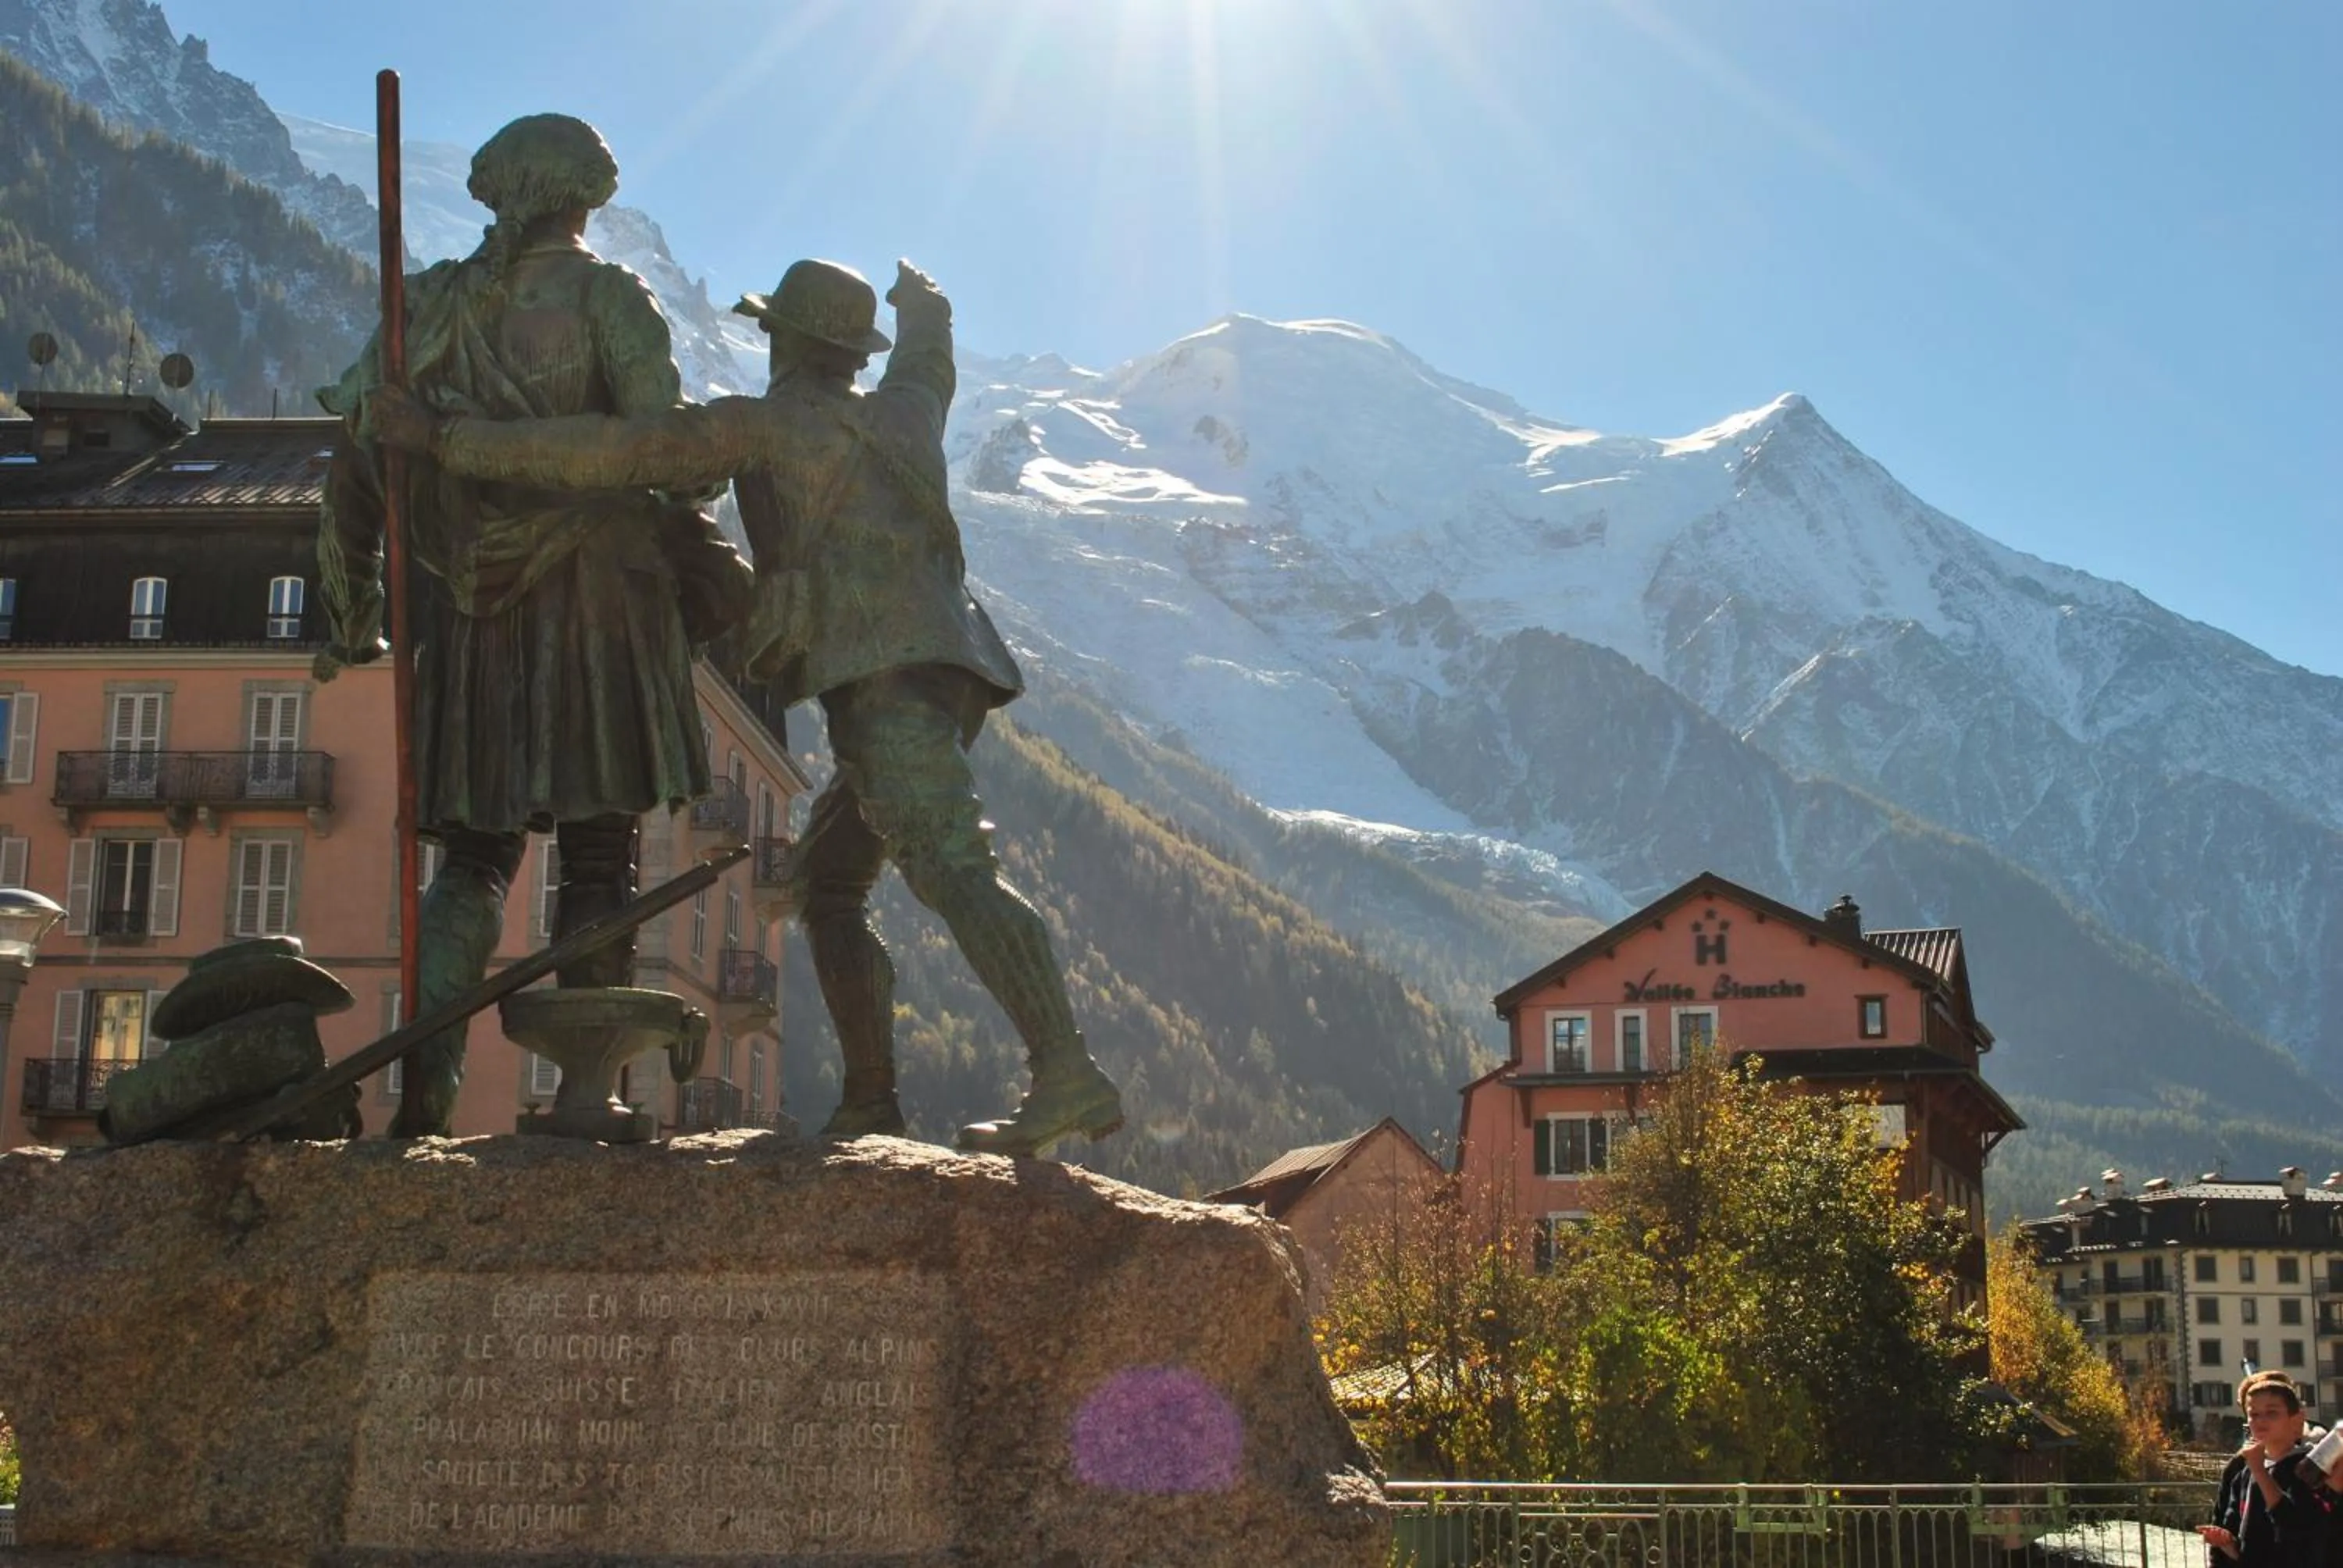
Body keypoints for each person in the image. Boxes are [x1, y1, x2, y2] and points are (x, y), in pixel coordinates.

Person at [369, 257, 1124, 1160]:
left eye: (773, 333)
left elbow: (609, 453)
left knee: (953, 866)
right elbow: (932, 355)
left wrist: (446, 438)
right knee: (829, 884)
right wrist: (924, 300)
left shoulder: (765, 429)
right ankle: (872, 1098)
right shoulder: (908, 409)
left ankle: (1065, 1068)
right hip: (948, 668)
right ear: (852, 349)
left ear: (792, 342)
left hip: (885, 680)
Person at [316, 113, 748, 1136]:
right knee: (601, 853)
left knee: (472, 862)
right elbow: (660, 453)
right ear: (578, 200)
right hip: (603, 600)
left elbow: (355, 464)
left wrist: (350, 611)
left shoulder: (421, 308)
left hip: (472, 613)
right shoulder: (610, 299)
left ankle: (425, 1102)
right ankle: (584, 1097)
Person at [2200, 1372, 2332, 1567]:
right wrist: (2227, 1544)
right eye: (2253, 1414)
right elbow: (2234, 1531)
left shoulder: (2311, 1469)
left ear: (2297, 1420)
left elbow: (2298, 1530)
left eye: (2271, 1412)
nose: (2261, 1421)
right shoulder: (2241, 1471)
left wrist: (2260, 1472)